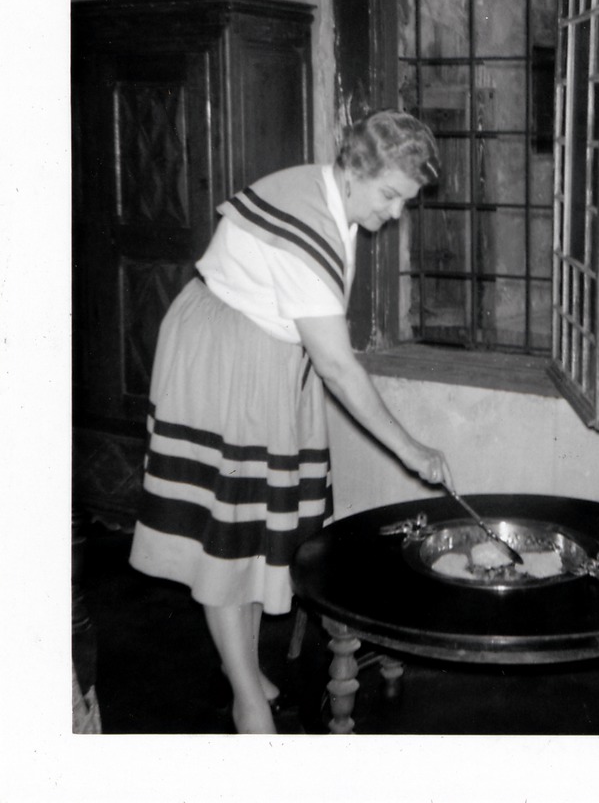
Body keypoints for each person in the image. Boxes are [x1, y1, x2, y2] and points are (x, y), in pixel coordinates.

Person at [128, 110, 450, 734]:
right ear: (356, 171)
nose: (394, 214)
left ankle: (239, 666)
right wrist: (410, 448)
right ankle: (248, 697)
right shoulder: (309, 223)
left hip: (268, 355)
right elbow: (336, 364)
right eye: (390, 196)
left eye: (404, 202)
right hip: (226, 359)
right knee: (230, 533)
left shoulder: (331, 196)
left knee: (251, 534)